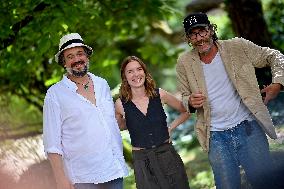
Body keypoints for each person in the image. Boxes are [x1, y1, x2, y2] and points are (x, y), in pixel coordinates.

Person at [176, 12, 284, 189]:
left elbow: (275, 56)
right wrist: (190, 102)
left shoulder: (237, 46)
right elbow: (185, 96)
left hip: (249, 127)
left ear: (211, 30)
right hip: (216, 136)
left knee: (265, 182)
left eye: (202, 31)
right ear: (189, 38)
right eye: (194, 34)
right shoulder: (184, 63)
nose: (199, 38)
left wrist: (278, 83)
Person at [43, 33, 128, 189]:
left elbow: (109, 123)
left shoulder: (102, 84)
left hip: (113, 169)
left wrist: (137, 117)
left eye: (80, 53)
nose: (76, 59)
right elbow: (52, 144)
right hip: (82, 177)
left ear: (87, 57)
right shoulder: (54, 94)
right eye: (70, 56)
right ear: (64, 63)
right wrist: (60, 180)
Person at [115, 55, 191, 189]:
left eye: (139, 69)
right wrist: (134, 123)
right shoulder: (120, 104)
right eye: (130, 71)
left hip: (167, 156)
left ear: (144, 71)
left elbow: (186, 111)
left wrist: (171, 128)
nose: (136, 74)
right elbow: (119, 126)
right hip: (142, 161)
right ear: (125, 76)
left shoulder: (159, 94)